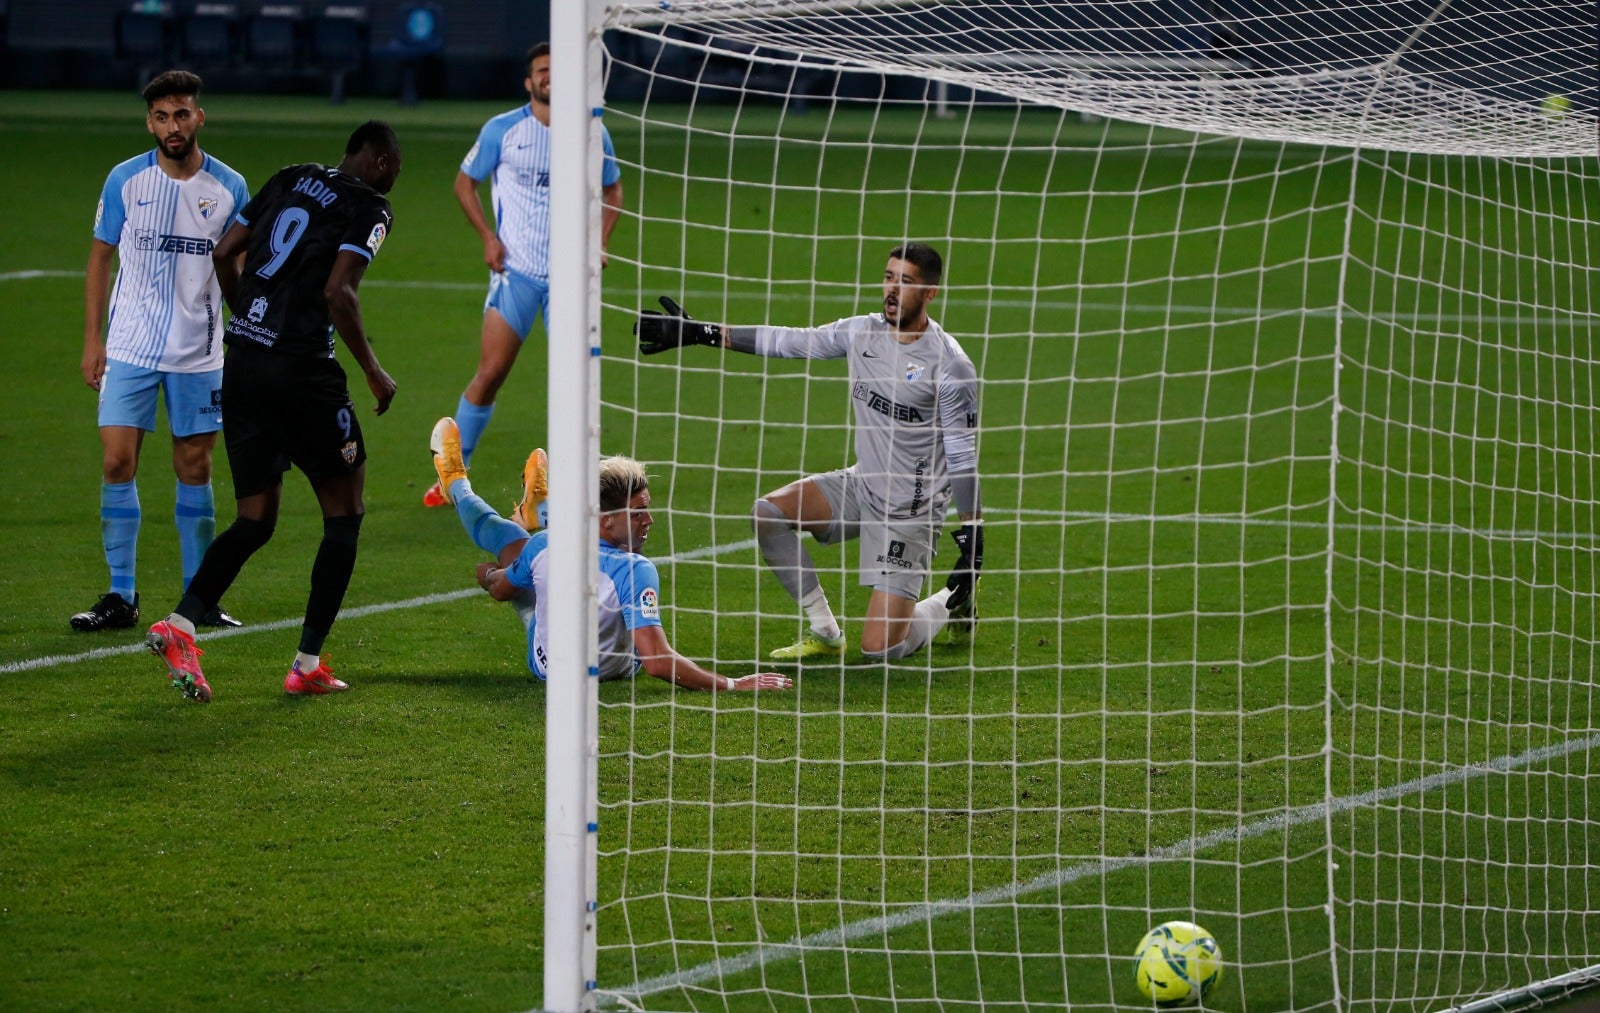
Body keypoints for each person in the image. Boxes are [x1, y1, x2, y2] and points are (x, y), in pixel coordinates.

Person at [145, 121, 403, 703]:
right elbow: (341, 291)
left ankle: (181, 625)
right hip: (302, 372)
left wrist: (250, 322)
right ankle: (306, 663)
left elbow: (223, 252)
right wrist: (371, 370)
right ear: (382, 162)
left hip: (242, 365)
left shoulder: (290, 177)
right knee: (345, 511)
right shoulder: (371, 205)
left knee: (256, 519)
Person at [635, 242, 983, 662]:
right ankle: (825, 629)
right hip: (862, 485)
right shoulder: (862, 333)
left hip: (911, 509)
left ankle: (950, 602)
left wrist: (972, 531)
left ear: (930, 293)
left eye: (906, 282)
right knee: (768, 515)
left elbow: (962, 455)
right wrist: (701, 333)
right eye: (889, 277)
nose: (892, 289)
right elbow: (790, 341)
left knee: (881, 650)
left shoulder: (950, 365)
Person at [429, 417, 793, 693]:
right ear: (605, 522)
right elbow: (655, 661)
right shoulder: (635, 570)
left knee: (512, 543)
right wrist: (733, 683)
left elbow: (499, 588)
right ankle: (502, 495)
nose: (649, 520)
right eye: (638, 512)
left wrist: (490, 574)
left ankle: (461, 485)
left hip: (549, 663)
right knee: (523, 551)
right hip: (608, 669)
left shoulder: (546, 547)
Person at [75, 70, 250, 633]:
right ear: (149, 122)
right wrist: (93, 340)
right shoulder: (124, 181)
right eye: (160, 116)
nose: (171, 126)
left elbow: (243, 270)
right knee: (116, 461)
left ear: (199, 117)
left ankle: (198, 598)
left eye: (181, 114)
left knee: (194, 467)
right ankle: (120, 596)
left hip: (199, 352)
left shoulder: (230, 187)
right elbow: (100, 258)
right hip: (129, 347)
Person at [422, 41, 626, 520]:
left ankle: (570, 485)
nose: (549, 76)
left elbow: (614, 188)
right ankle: (451, 474)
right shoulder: (503, 130)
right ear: (528, 81)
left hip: (570, 281)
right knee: (491, 374)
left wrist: (601, 241)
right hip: (516, 274)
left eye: (557, 69)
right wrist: (488, 238)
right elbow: (463, 182)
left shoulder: (592, 132)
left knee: (574, 381)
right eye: (541, 70)